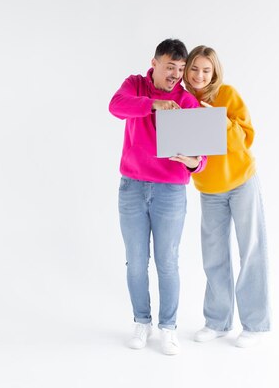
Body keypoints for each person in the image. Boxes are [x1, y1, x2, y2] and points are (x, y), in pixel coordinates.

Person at [109, 39, 207, 355]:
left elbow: (200, 157)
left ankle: (168, 328)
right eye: (170, 68)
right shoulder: (135, 85)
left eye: (180, 69)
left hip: (170, 191)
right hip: (133, 187)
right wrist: (153, 104)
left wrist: (194, 162)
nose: (176, 75)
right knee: (135, 262)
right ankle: (142, 322)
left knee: (167, 262)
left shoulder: (187, 102)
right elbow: (115, 106)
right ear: (154, 62)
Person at [183, 45, 271, 348]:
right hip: (209, 189)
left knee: (251, 250)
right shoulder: (180, 102)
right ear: (186, 69)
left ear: (215, 71)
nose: (199, 75)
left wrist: (219, 120)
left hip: (241, 182)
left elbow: (246, 138)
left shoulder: (227, 95)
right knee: (214, 257)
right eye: (194, 68)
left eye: (206, 70)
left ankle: (256, 326)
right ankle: (217, 322)